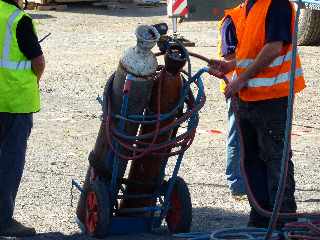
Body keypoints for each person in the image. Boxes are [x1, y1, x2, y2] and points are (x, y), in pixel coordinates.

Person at [209, 0, 305, 228]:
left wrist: (241, 79)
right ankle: (260, 216)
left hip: (272, 97)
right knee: (251, 159)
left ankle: (283, 219)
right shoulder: (245, 9)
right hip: (248, 98)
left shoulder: (277, 4)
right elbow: (249, 51)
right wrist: (230, 66)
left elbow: (273, 48)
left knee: (275, 158)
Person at [0, 0, 45, 236]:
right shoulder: (18, 19)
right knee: (9, 162)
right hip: (13, 103)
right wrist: (34, 80)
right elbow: (38, 62)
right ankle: (2, 220)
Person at [217, 4, 246, 198]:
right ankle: (236, 185)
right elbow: (229, 57)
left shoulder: (252, 16)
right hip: (236, 88)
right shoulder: (232, 20)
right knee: (237, 136)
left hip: (251, 87)